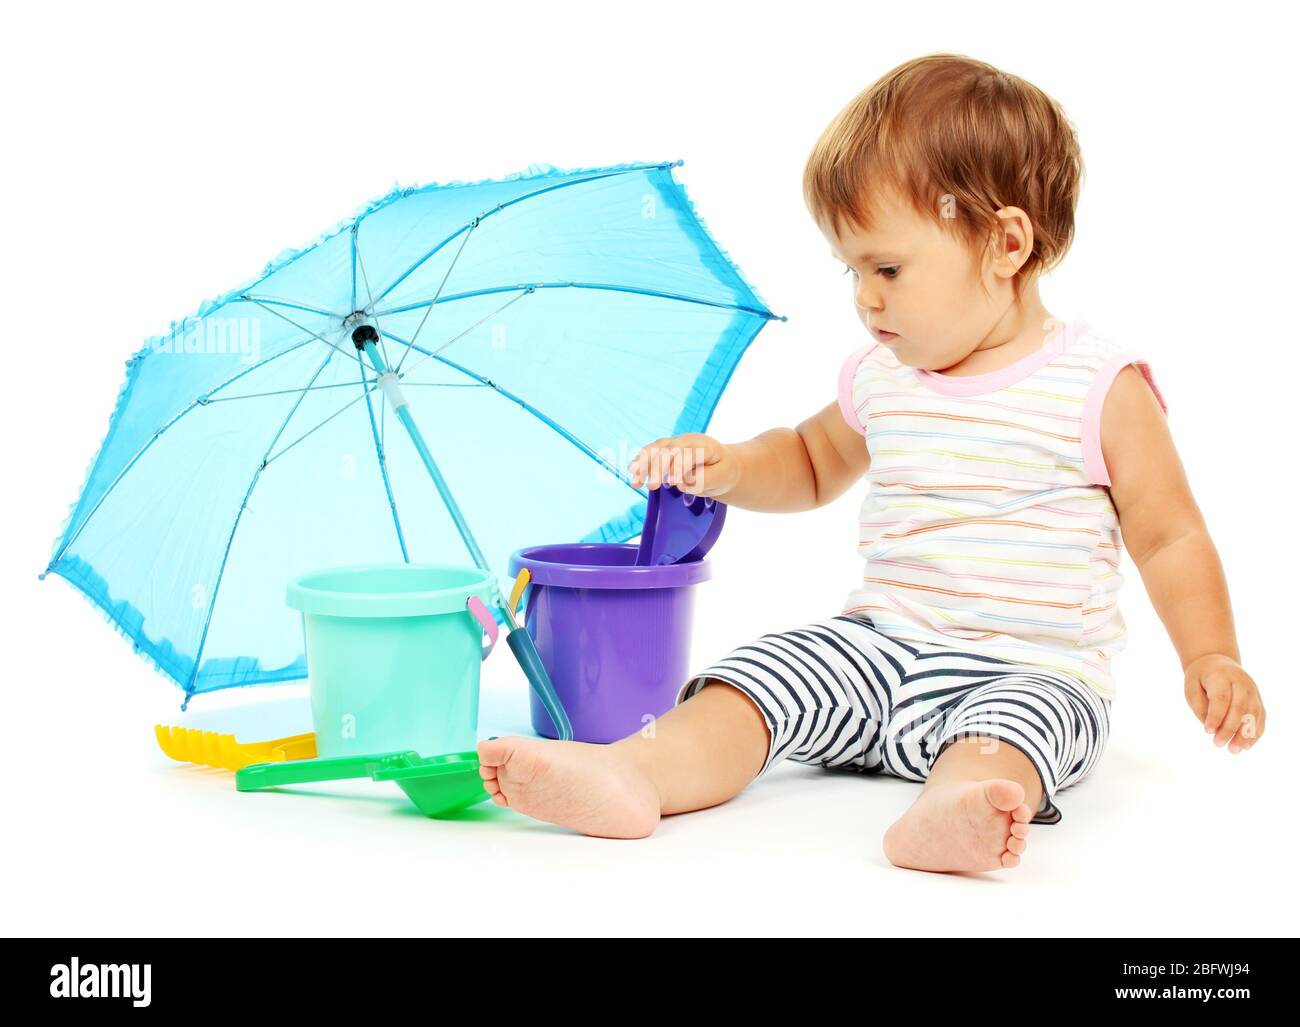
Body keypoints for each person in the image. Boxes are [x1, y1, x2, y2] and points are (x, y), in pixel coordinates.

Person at [475, 53, 1266, 873]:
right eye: (851, 270)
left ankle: (957, 808)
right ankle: (634, 772)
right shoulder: (883, 375)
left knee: (1016, 731)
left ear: (1005, 242)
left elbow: (1169, 534)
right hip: (878, 647)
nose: (865, 296)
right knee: (760, 674)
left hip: (1030, 665)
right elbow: (812, 460)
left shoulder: (1098, 385)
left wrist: (1211, 652)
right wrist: (734, 466)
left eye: (887, 267)